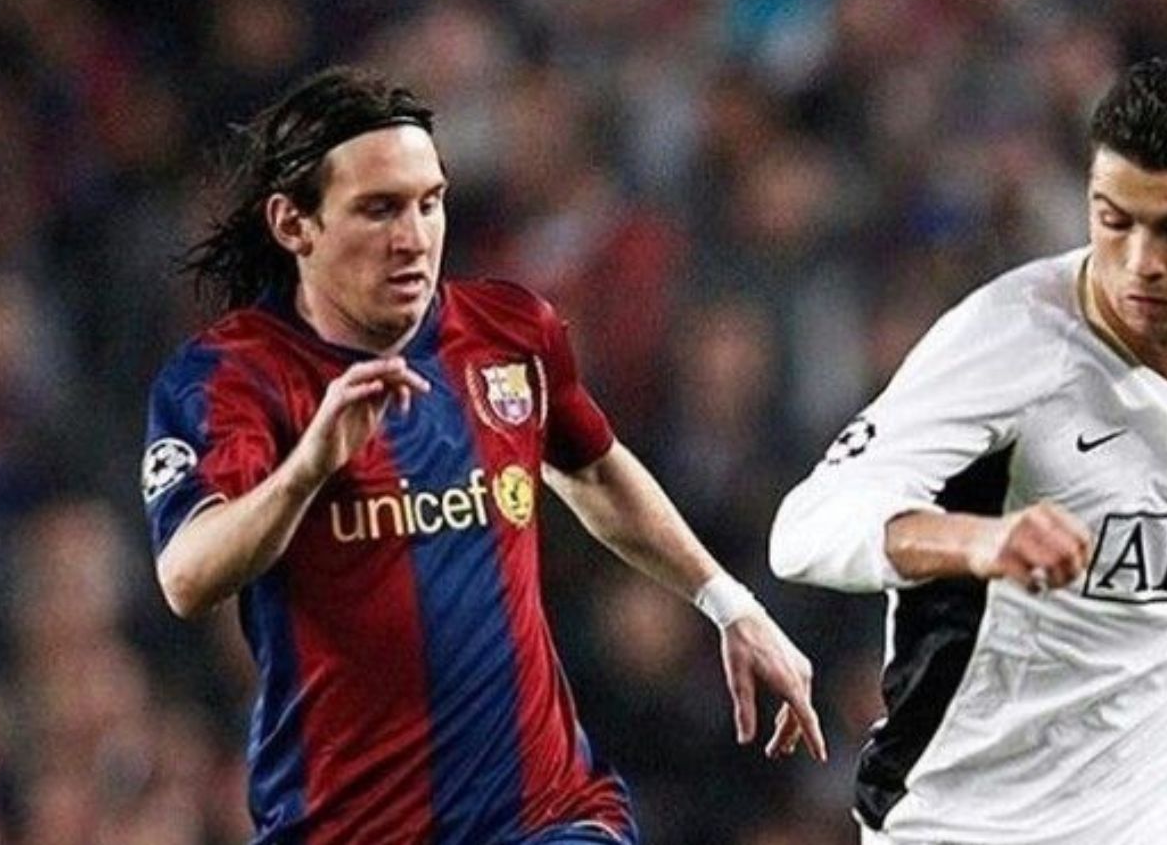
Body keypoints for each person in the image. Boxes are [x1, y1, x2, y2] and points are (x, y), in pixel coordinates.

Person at [139, 66, 825, 845]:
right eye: (379, 209)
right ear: (294, 224)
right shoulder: (228, 377)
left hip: (546, 816)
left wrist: (730, 604)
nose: (414, 238)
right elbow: (188, 576)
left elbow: (594, 468)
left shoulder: (509, 332)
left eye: (429, 202)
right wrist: (306, 471)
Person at [768, 53, 1167, 845]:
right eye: (1113, 220)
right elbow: (805, 531)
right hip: (964, 814)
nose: (1140, 263)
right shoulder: (1009, 340)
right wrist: (978, 541)